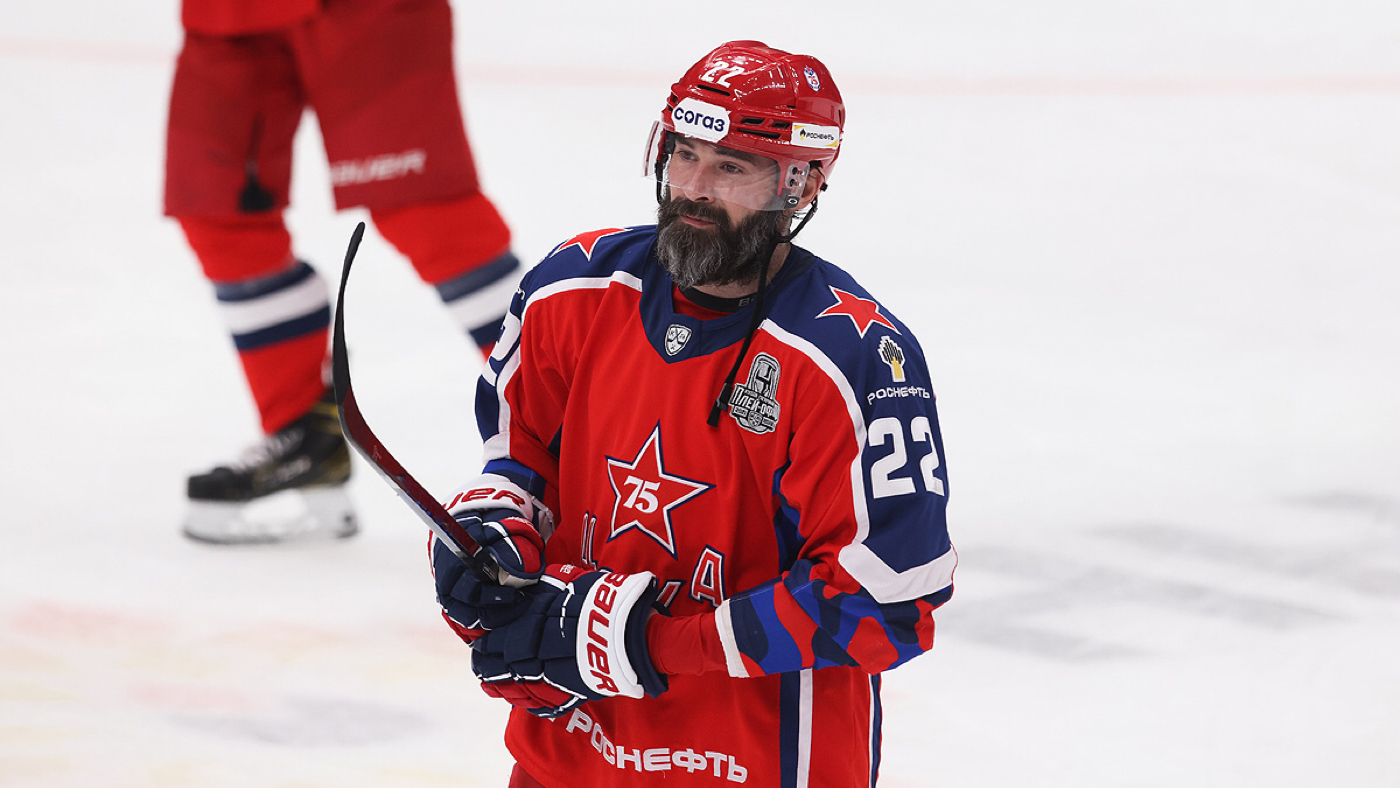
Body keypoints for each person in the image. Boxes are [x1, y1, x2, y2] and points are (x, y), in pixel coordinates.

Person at [430, 41, 957, 787]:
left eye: (731, 167)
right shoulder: (572, 290)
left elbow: (886, 602)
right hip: (568, 759)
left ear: (802, 183)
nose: (694, 189)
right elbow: (520, 460)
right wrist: (491, 533)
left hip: (759, 766)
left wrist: (647, 642)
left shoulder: (848, 356)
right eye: (684, 154)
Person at [165, 0, 522, 543]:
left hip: (363, 12)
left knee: (425, 209)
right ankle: (306, 436)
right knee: (218, 211)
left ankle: (569, 420)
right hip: (227, 15)